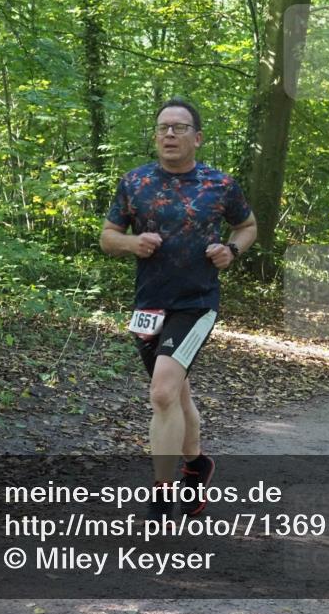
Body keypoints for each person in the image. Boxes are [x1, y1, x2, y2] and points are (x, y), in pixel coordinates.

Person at [100, 97, 256, 519]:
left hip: (197, 303)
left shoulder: (220, 185)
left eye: (179, 127)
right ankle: (196, 464)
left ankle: (162, 493)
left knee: (163, 391)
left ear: (197, 137)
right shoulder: (134, 183)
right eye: (163, 127)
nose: (169, 134)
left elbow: (247, 225)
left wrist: (232, 251)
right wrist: (133, 243)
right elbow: (108, 236)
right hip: (149, 304)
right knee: (177, 393)